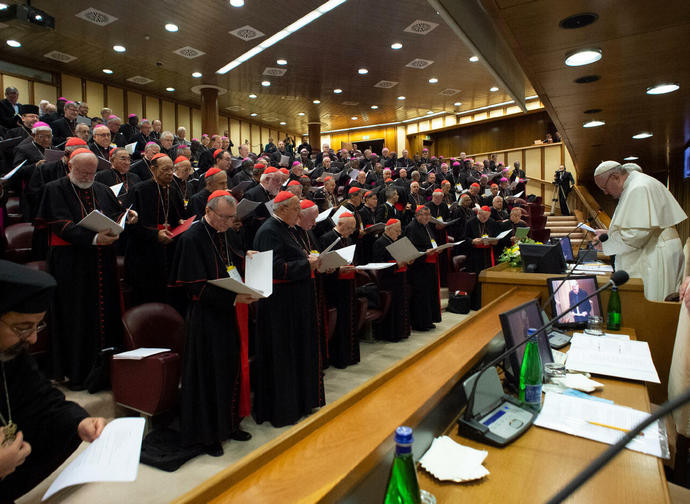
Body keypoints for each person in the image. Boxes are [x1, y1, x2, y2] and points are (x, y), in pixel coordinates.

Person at [0, 260, 105, 501]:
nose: (34, 339)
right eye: (23, 327)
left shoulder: (11, 354)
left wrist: (79, 422)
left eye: (38, 326)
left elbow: (42, 402)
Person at [36, 149, 137, 391]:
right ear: (70, 166)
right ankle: (77, 372)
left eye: (92, 172)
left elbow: (115, 212)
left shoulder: (100, 188)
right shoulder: (55, 189)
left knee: (106, 313)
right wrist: (93, 239)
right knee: (77, 315)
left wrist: (127, 215)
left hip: (102, 261)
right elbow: (60, 224)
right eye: (82, 171)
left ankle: (105, 371)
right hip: (71, 264)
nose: (87, 176)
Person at [169, 190, 256, 456]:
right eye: (224, 218)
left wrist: (246, 258)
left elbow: (229, 263)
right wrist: (233, 297)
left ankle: (230, 424)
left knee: (230, 370)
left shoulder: (226, 232)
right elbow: (193, 287)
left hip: (228, 315)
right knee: (209, 376)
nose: (228, 223)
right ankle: (208, 435)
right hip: (205, 318)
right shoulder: (192, 238)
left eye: (232, 218)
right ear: (208, 212)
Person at [252, 191, 323, 427]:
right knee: (284, 357)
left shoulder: (289, 228)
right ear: (281, 209)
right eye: (295, 208)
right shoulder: (269, 231)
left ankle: (301, 402)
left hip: (295, 303)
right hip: (279, 307)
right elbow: (274, 269)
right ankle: (284, 410)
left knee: (298, 354)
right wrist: (306, 263)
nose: (299, 213)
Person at [593, 161, 687, 301]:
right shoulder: (635, 184)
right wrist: (609, 234)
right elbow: (638, 227)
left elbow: (635, 235)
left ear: (615, 177)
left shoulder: (638, 187)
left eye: (604, 187)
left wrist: (606, 244)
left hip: (656, 252)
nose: (605, 192)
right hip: (657, 247)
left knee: (653, 302)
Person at [127, 153, 184, 307]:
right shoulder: (139, 190)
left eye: (171, 169)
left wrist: (181, 223)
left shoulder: (173, 189)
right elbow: (130, 224)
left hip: (169, 248)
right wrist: (154, 235)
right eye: (165, 169)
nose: (169, 172)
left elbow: (179, 216)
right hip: (145, 252)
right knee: (148, 293)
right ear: (153, 169)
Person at [372, 219, 410, 341]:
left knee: (401, 305)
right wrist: (396, 265)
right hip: (388, 280)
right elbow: (378, 263)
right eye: (397, 231)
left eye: (400, 231)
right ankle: (391, 334)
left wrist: (409, 259)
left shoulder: (397, 240)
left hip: (400, 278)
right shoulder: (379, 242)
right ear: (388, 229)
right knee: (392, 307)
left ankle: (401, 332)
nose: (399, 233)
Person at [405, 206, 441, 331]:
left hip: (429, 265)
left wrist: (436, 249)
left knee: (429, 293)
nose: (427, 217)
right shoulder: (411, 227)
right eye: (425, 214)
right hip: (418, 268)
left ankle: (428, 320)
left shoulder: (427, 226)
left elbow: (432, 241)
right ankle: (419, 323)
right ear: (417, 215)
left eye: (429, 214)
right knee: (421, 295)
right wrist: (425, 252)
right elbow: (411, 249)